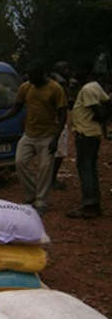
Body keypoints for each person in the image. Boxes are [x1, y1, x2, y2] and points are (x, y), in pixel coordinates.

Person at [0, 61, 67, 212]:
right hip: (29, 134)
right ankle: (32, 193)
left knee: (45, 168)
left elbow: (63, 115)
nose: (30, 80)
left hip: (48, 135)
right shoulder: (26, 87)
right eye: (28, 77)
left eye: (33, 77)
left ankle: (41, 201)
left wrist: (56, 138)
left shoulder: (55, 89)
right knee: (20, 162)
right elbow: (16, 108)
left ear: (42, 74)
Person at [66, 62, 110, 219]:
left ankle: (89, 206)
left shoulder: (87, 89)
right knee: (90, 168)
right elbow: (106, 102)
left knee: (85, 168)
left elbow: (100, 112)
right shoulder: (95, 86)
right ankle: (94, 204)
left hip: (86, 134)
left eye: (76, 70)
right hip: (91, 133)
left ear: (85, 72)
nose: (73, 73)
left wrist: (97, 116)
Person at [49, 61, 72, 190]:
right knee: (59, 152)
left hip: (51, 120)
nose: (68, 71)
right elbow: (66, 103)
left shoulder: (52, 81)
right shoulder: (61, 83)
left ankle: (50, 178)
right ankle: (52, 180)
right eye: (66, 69)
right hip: (58, 121)